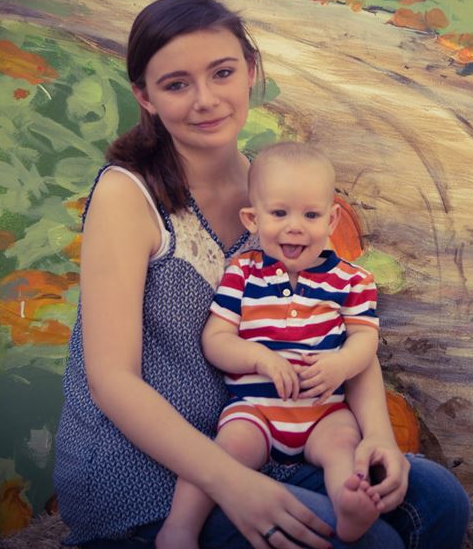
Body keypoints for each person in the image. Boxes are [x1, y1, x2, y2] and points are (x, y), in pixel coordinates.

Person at [52, 0, 470, 549]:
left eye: (222, 72)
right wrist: (232, 485)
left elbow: (347, 330)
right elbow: (112, 382)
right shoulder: (126, 194)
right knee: (372, 545)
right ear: (144, 97)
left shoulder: (276, 198)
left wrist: (379, 437)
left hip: (269, 439)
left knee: (439, 499)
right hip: (147, 468)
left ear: (250, 72)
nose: (205, 99)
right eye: (176, 84)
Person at [158, 142, 384, 548]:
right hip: (257, 410)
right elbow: (216, 341)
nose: (295, 226)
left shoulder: (352, 280)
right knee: (227, 448)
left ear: (332, 220)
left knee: (342, 446)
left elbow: (365, 340)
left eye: (310, 215)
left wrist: (341, 364)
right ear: (252, 219)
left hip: (323, 411)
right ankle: (179, 528)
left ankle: (348, 508)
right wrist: (258, 357)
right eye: (279, 213)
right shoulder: (243, 274)